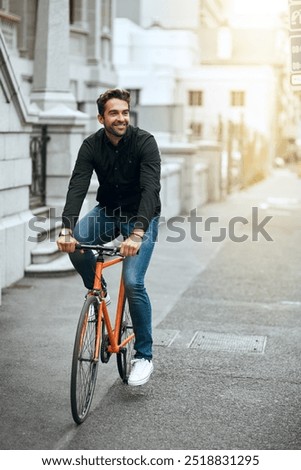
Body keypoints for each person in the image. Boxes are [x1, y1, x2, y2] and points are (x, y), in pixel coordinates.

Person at [57, 88, 161, 386]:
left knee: (133, 281)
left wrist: (137, 233)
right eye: (114, 113)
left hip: (141, 217)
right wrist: (65, 229)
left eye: (125, 112)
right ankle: (97, 286)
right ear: (101, 117)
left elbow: (150, 190)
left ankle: (144, 356)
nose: (121, 118)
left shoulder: (145, 142)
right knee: (76, 243)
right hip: (107, 212)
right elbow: (78, 185)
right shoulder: (91, 145)